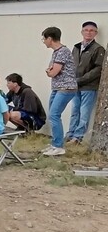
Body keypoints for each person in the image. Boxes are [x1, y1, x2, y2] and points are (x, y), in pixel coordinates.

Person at [41, 26, 78, 157]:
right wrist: (49, 71)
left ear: (50, 38)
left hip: (66, 88)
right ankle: (54, 143)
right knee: (53, 115)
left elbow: (53, 72)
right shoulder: (56, 52)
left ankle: (59, 146)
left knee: (54, 115)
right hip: (57, 88)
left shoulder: (63, 52)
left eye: (44, 39)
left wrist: (48, 72)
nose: (43, 41)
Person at [66, 21, 105, 144]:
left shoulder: (98, 49)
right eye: (86, 30)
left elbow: (98, 69)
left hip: (88, 86)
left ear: (96, 33)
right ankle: (70, 134)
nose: (89, 32)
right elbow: (71, 65)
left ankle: (78, 137)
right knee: (75, 111)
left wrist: (81, 80)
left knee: (84, 112)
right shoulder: (76, 47)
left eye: (92, 30)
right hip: (75, 85)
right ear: (82, 32)